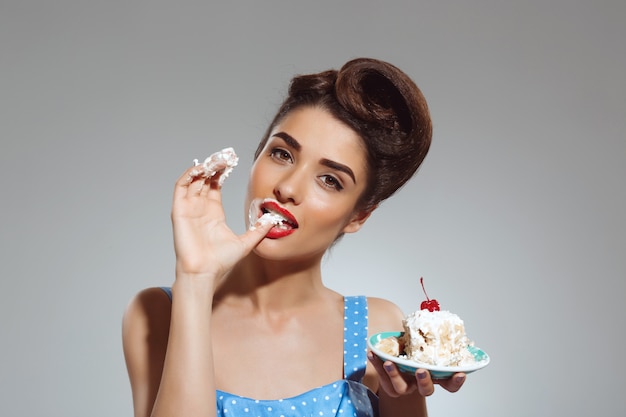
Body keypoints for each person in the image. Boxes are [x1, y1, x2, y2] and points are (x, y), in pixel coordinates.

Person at [122, 57, 466, 417]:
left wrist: (403, 398)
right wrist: (195, 279)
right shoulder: (156, 313)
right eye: (282, 154)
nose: (286, 187)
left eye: (330, 180)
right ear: (256, 156)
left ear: (358, 216)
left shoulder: (380, 332)